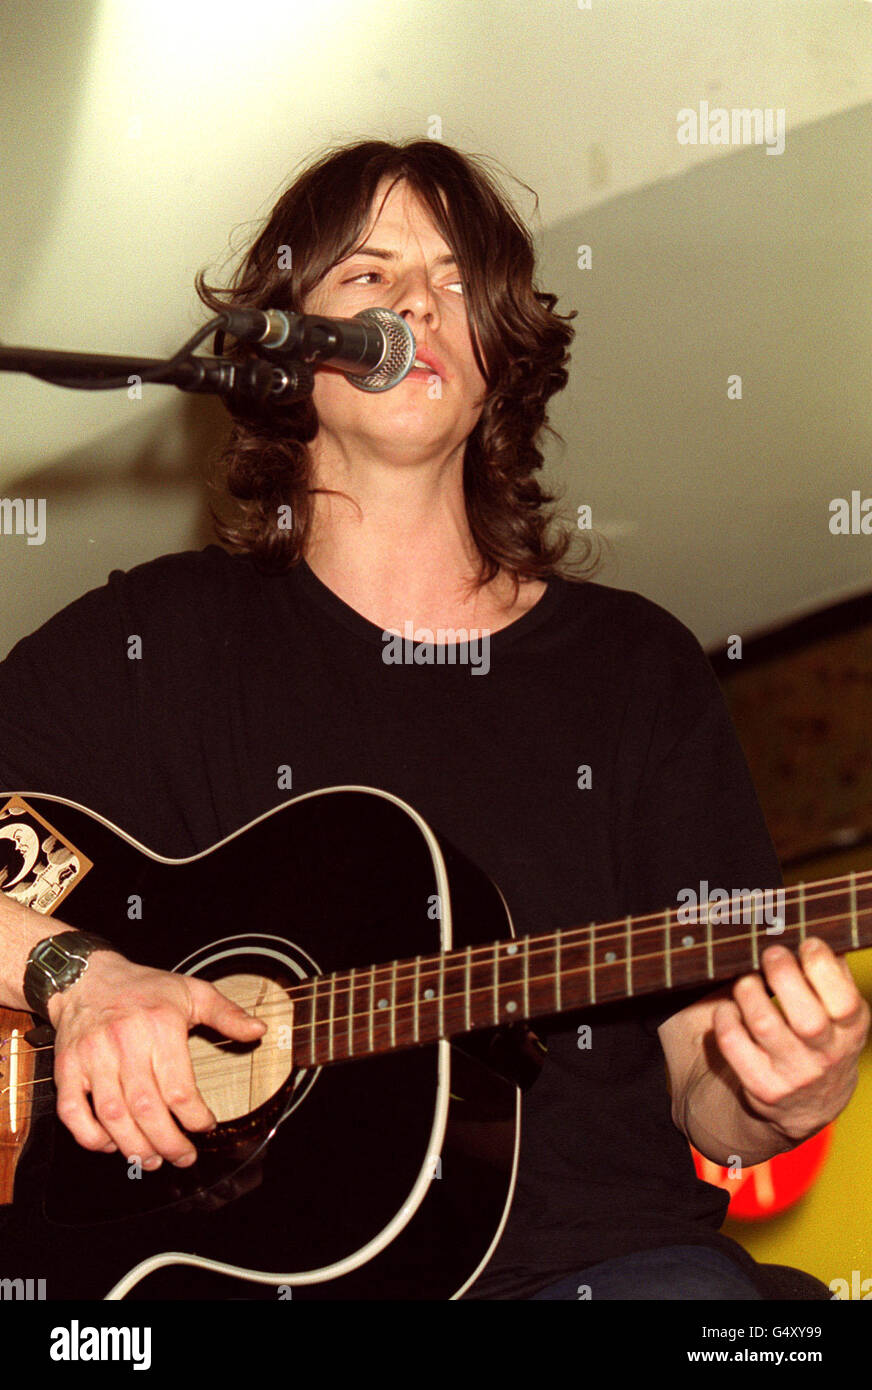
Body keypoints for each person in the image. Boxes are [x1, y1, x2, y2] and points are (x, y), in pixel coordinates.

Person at [0, 138, 867, 1301]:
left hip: (599, 1264)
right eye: (368, 277)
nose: (419, 301)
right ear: (280, 351)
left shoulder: (630, 668)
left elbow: (701, 1080)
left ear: (498, 357)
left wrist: (777, 1091)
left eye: (459, 284)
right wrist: (79, 975)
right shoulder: (147, 646)